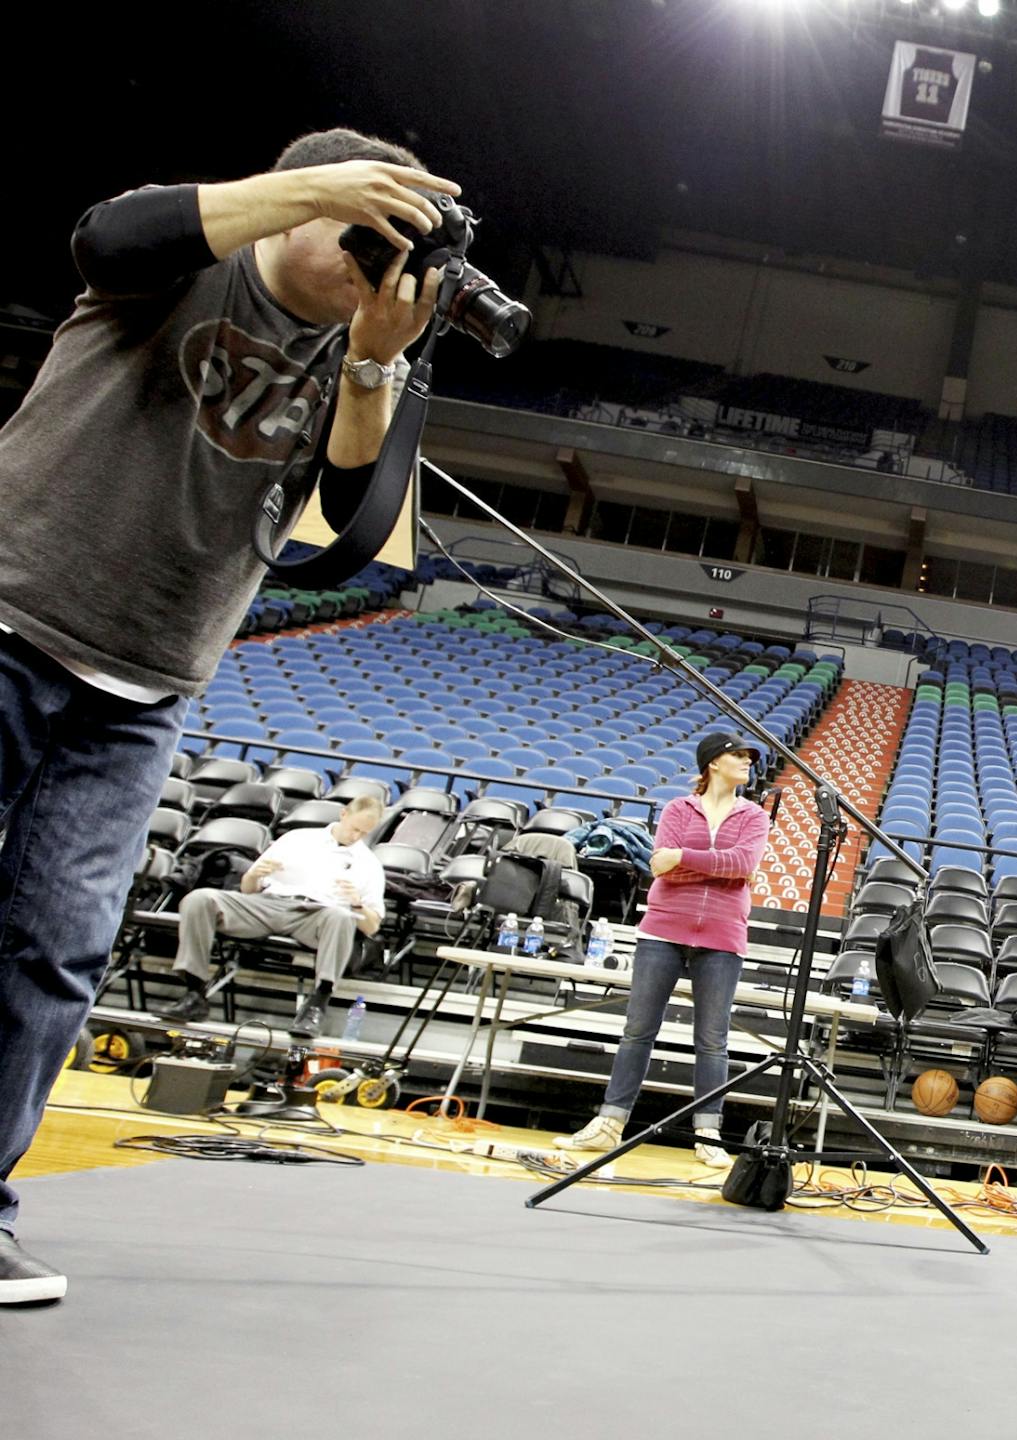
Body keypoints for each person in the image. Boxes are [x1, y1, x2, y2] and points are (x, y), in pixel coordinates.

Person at [0, 129, 462, 1306]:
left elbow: (350, 510)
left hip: (150, 681)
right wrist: (304, 190)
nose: (377, 252)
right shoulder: (191, 257)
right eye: (366, 223)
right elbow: (102, 233)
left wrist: (372, 361)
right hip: (16, 610)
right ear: (304, 198)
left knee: (54, 953)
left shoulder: (364, 346)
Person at [557, 732, 771, 1169]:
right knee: (638, 1030)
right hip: (663, 929)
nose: (747, 761)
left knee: (713, 1040)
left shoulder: (753, 817)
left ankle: (709, 1133)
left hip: (723, 935)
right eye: (738, 754)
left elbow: (743, 865)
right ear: (713, 762)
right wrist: (714, 866)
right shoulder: (677, 809)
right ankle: (609, 1124)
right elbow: (659, 866)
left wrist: (684, 859)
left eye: (750, 756)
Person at [159, 795, 387, 1036]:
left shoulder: (368, 864)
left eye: (364, 833)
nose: (356, 836)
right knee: (199, 899)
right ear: (344, 814)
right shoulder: (297, 838)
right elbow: (249, 888)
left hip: (316, 916)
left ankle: (317, 1004)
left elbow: (371, 927)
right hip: (267, 903)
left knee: (342, 917)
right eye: (355, 829)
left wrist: (357, 904)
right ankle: (195, 992)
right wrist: (254, 874)